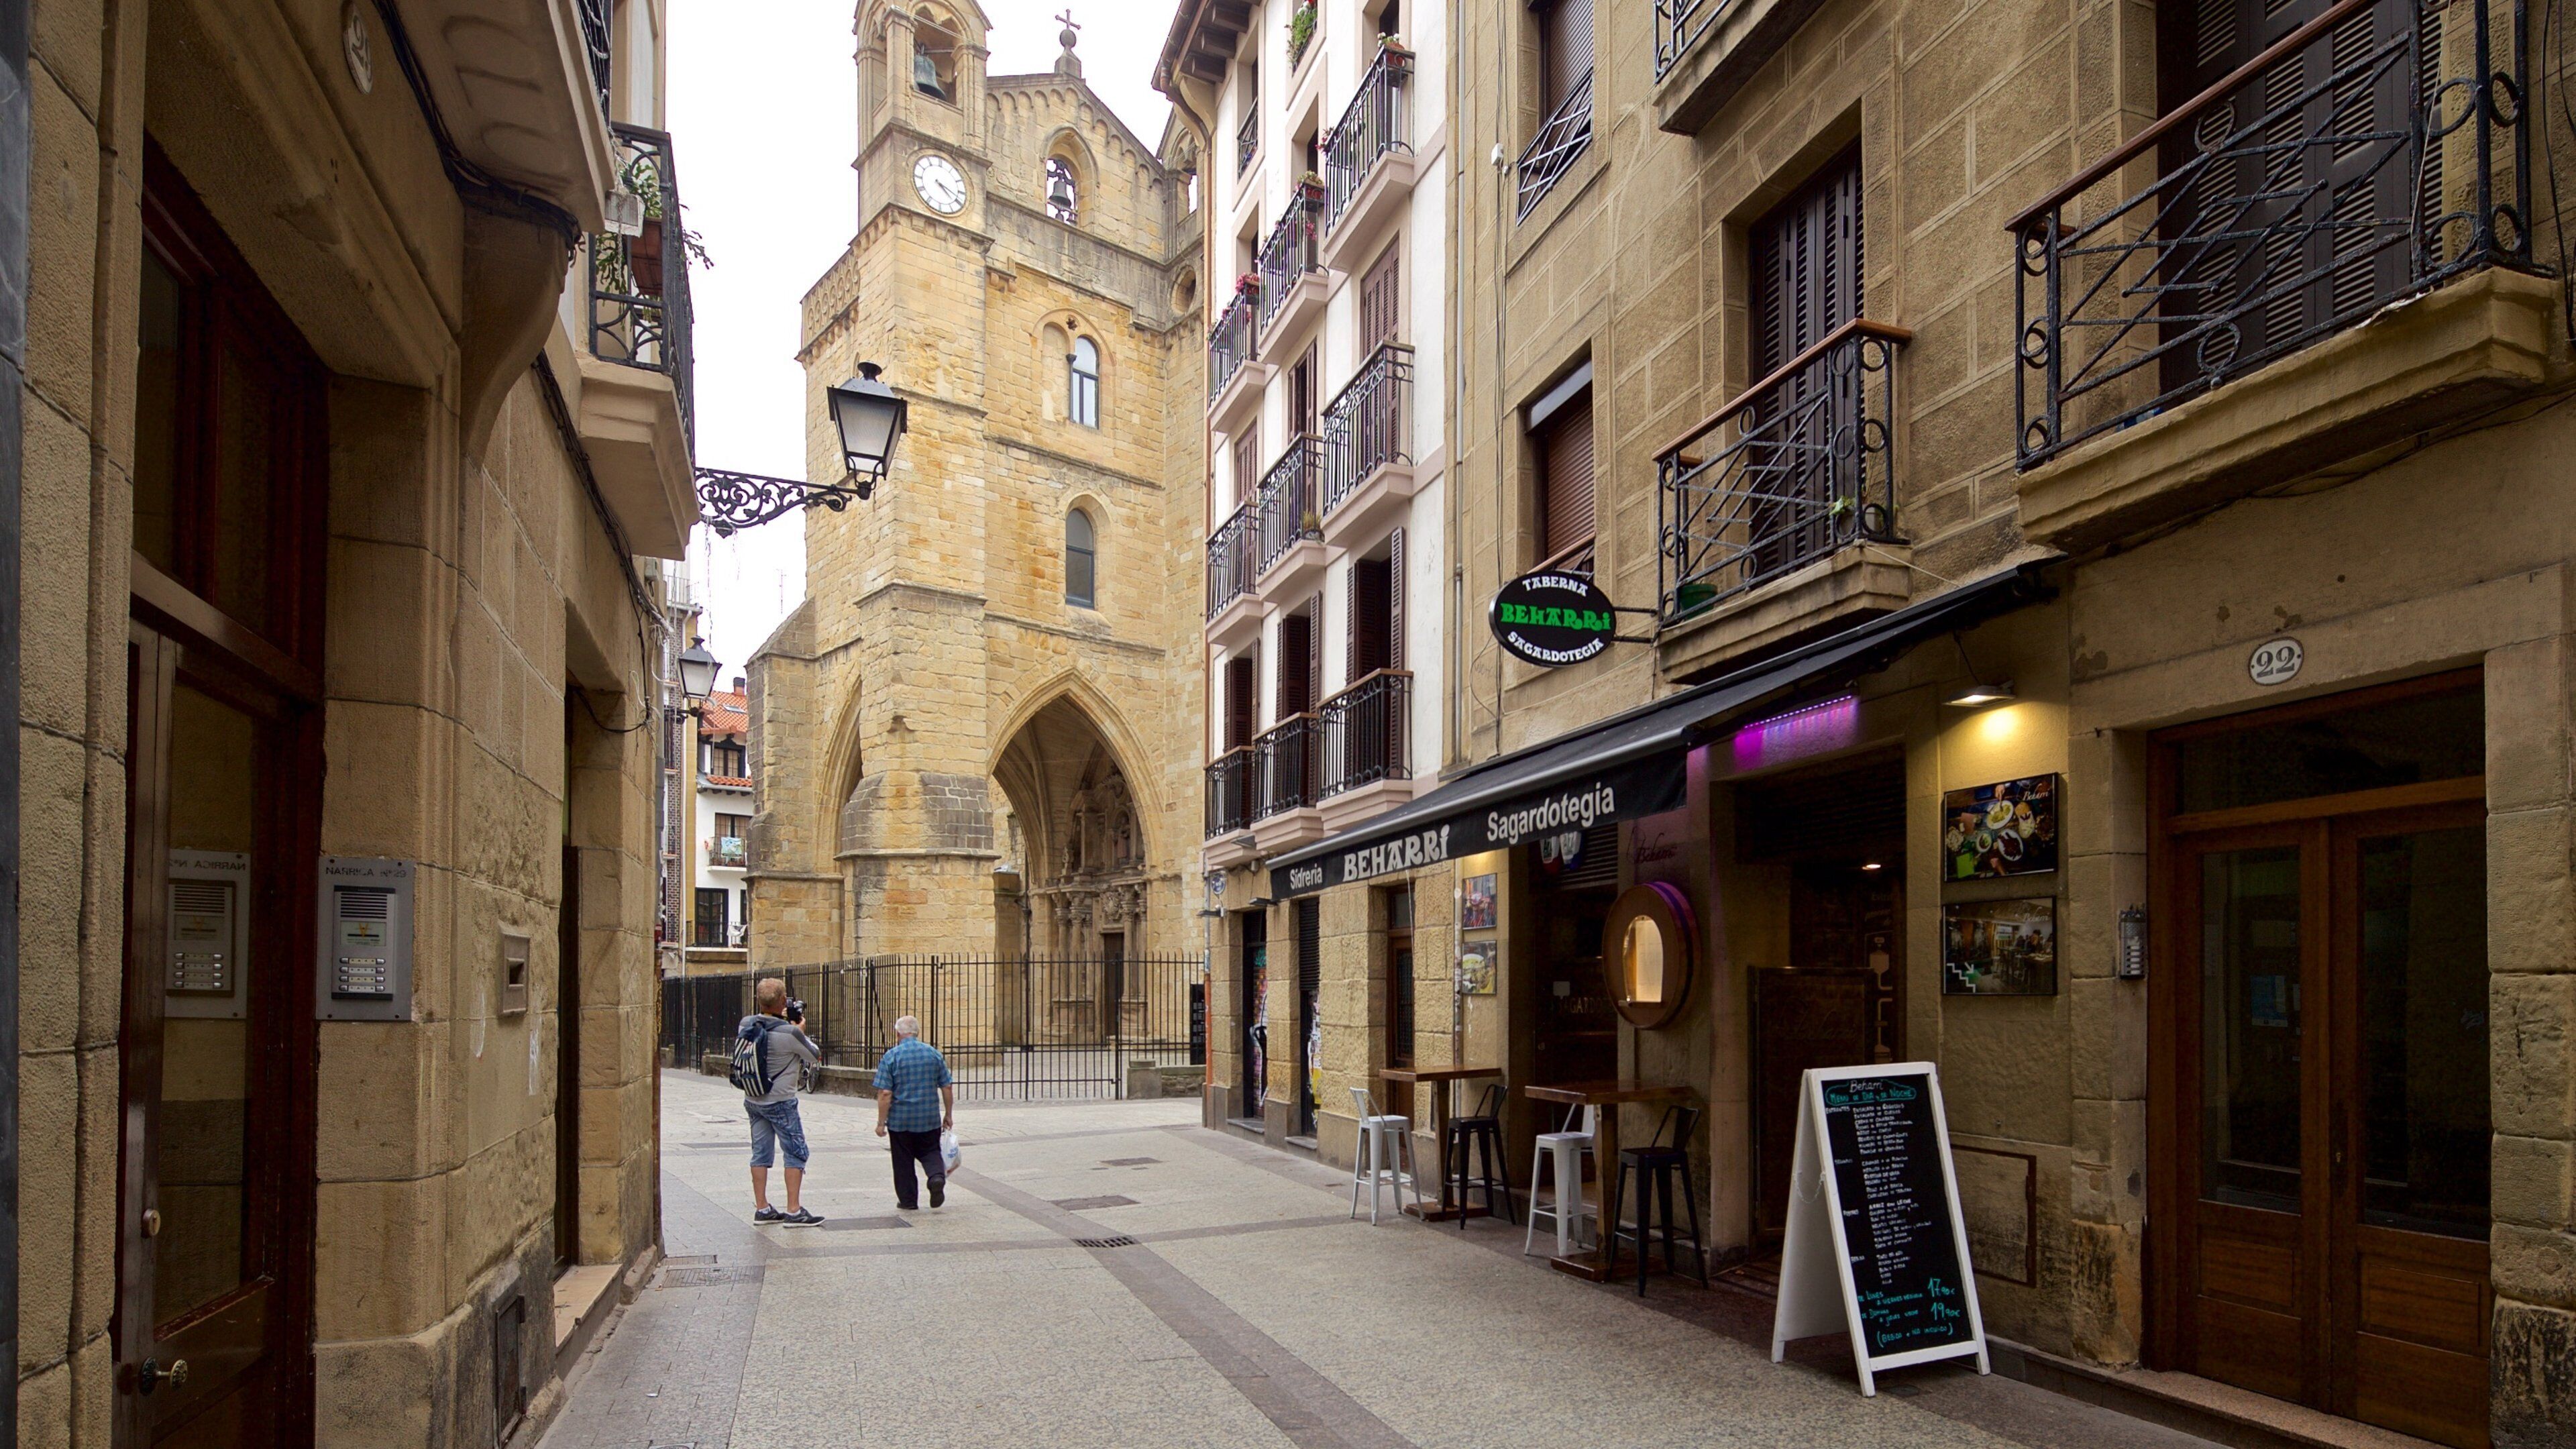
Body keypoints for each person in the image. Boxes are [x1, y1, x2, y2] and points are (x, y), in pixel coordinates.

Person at [738, 979, 824, 1226]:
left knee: (760, 1153)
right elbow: (815, 1055)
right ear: (781, 1001)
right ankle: (794, 1211)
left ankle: (762, 1208)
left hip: (753, 1098)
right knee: (795, 1153)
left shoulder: (746, 1024)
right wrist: (800, 1029)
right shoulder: (790, 1032)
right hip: (782, 1101)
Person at [872, 1014, 955, 1209]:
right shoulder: (933, 1054)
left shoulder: (892, 1056)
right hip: (929, 1119)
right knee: (931, 1151)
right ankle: (936, 1178)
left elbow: (885, 1093)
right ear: (917, 1033)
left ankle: (908, 1201)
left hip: (901, 1121)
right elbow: (947, 1086)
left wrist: (881, 1123)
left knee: (903, 1160)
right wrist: (948, 1114)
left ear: (898, 1034)